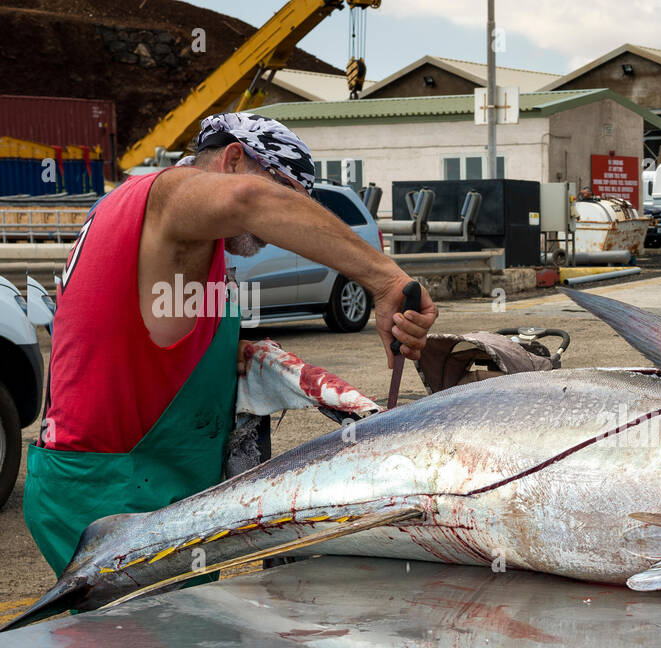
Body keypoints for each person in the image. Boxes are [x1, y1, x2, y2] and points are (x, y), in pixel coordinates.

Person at [24, 112, 438, 574]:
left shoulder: (183, 240)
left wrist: (238, 358)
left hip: (145, 482)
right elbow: (249, 199)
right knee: (144, 642)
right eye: (286, 194)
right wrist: (385, 279)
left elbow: (140, 334)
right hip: (113, 492)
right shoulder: (166, 196)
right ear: (235, 159)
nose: (274, 230)